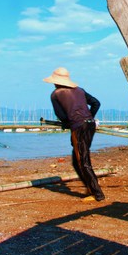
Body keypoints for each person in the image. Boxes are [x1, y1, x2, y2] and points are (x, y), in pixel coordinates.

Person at [43, 67, 105, 202]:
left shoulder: (56, 94)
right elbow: (96, 103)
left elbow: (61, 115)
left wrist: (69, 123)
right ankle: (90, 188)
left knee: (83, 161)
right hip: (90, 125)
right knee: (77, 160)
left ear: (56, 81)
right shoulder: (80, 90)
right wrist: (89, 118)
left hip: (79, 127)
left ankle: (97, 194)